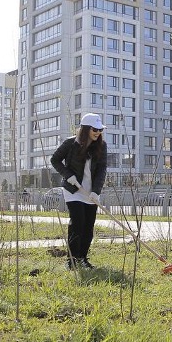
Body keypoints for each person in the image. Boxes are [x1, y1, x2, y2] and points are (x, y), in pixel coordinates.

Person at [50, 112, 108, 270]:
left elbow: (102, 169)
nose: (98, 133)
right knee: (78, 223)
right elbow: (54, 160)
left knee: (89, 226)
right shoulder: (70, 143)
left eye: (100, 129)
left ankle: (82, 258)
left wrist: (96, 191)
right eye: (95, 129)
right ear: (85, 128)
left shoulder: (101, 146)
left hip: (91, 193)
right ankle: (72, 260)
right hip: (73, 190)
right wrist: (68, 176)